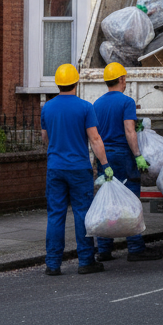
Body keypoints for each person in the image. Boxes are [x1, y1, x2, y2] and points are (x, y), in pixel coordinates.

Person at [41, 63, 112, 276]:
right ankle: (86, 261)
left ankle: (53, 264)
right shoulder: (84, 107)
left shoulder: (48, 107)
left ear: (57, 84)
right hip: (79, 168)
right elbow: (95, 138)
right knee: (82, 214)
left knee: (55, 215)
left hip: (55, 168)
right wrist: (105, 164)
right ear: (76, 82)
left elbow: (45, 137)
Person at [92, 62, 163, 263]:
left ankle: (104, 249)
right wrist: (138, 154)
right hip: (123, 156)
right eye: (126, 80)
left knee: (108, 200)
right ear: (122, 79)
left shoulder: (96, 104)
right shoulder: (127, 102)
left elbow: (95, 134)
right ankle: (135, 247)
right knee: (130, 200)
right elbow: (129, 131)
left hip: (104, 157)